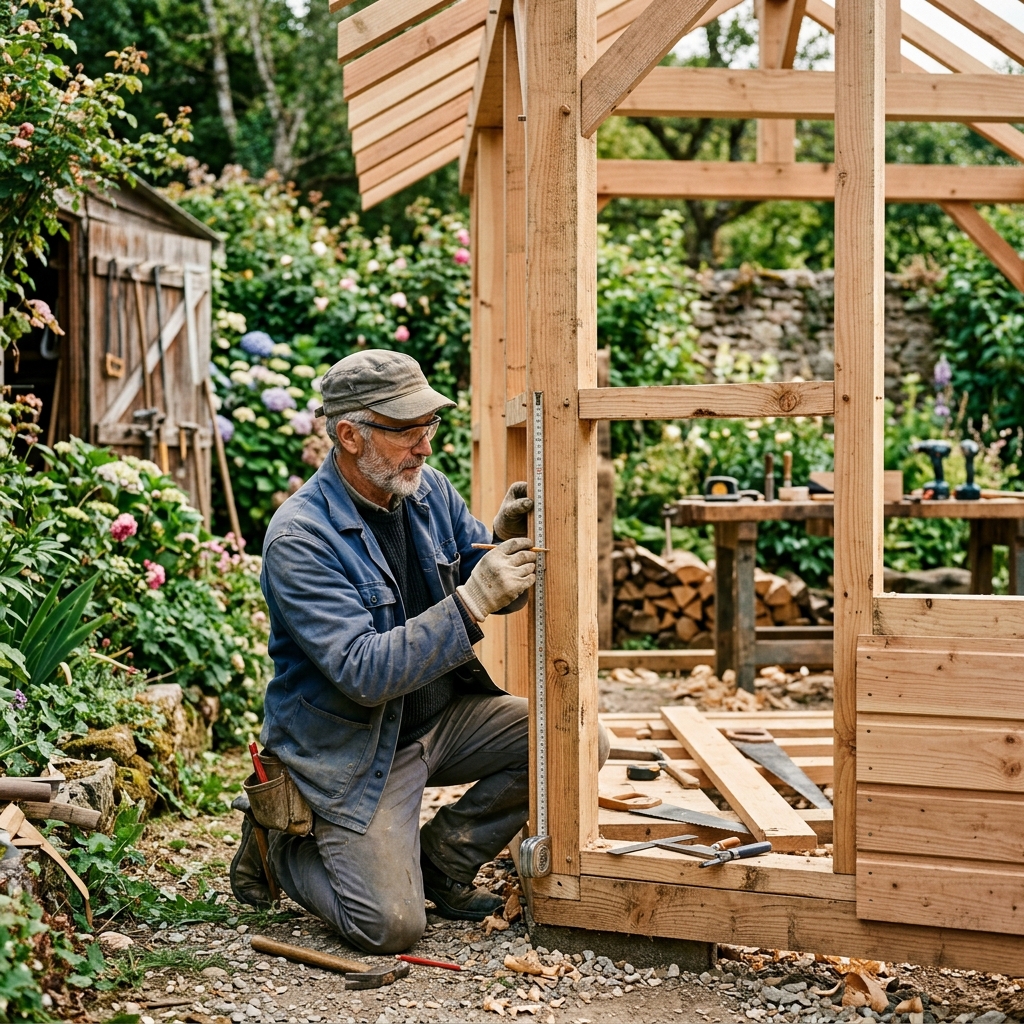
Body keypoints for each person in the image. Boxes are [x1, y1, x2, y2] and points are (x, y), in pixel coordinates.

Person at [229, 349, 543, 953]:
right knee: (390, 927)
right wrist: (474, 598)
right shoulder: (299, 539)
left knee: (570, 742)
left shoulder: (426, 492)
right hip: (354, 749)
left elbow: (476, 578)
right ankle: (285, 847)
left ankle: (443, 861)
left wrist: (499, 541)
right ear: (349, 435)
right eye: (407, 431)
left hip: (438, 720)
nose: (425, 447)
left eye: (430, 427)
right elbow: (362, 672)